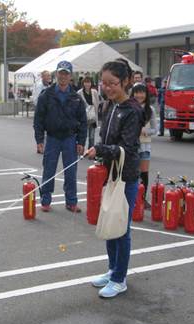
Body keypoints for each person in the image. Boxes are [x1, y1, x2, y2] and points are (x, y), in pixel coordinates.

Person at [86, 59, 143, 298]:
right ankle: (112, 270)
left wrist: (100, 150)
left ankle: (120, 279)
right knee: (109, 222)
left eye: (113, 84)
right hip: (109, 175)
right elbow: (106, 139)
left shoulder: (132, 111)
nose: (108, 88)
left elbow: (127, 148)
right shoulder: (109, 106)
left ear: (126, 82)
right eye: (104, 83)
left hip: (126, 177)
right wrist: (98, 148)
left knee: (121, 228)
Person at [33, 60, 87, 213]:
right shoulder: (46, 95)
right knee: (48, 170)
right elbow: (38, 119)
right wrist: (39, 140)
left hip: (70, 138)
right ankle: (45, 200)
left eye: (66, 73)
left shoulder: (76, 97)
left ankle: (71, 202)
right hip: (52, 138)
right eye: (61, 73)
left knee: (71, 172)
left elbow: (83, 122)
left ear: (70, 76)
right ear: (56, 74)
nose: (63, 76)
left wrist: (81, 141)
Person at [132, 83, 157, 209]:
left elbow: (155, 130)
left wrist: (145, 131)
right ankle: (131, 197)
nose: (139, 95)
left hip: (145, 145)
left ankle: (142, 198)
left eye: (142, 92)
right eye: (137, 92)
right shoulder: (129, 107)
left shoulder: (150, 110)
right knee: (131, 172)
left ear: (146, 94)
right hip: (131, 145)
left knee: (144, 173)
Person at [77, 76, 102, 148]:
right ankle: (81, 149)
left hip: (93, 117)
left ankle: (90, 150)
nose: (87, 84)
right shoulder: (79, 93)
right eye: (86, 82)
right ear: (83, 83)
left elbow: (97, 103)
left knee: (92, 136)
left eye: (89, 82)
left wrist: (95, 112)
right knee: (83, 135)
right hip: (83, 117)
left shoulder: (94, 92)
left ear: (91, 83)